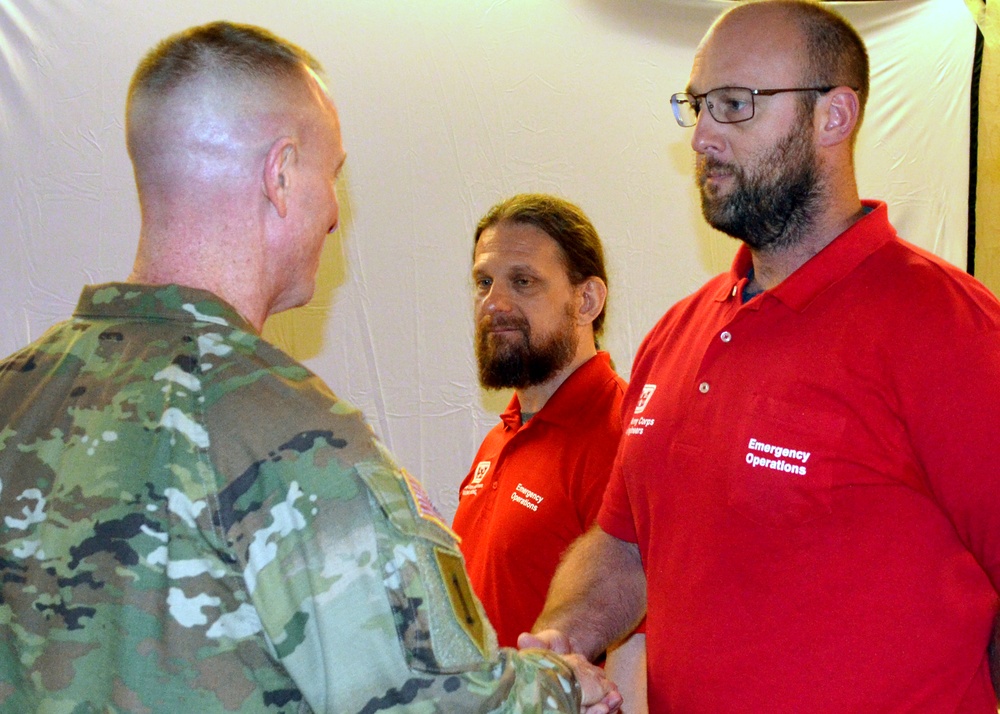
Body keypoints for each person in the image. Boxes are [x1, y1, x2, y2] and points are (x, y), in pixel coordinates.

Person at [0, 21, 622, 714]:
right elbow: (428, 700)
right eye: (333, 176)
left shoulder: (16, 396)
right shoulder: (293, 442)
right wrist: (564, 688)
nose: (334, 213)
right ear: (282, 174)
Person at [521, 1, 1000, 711]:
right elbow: (625, 547)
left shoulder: (949, 328)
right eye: (697, 105)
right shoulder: (677, 333)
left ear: (833, 117)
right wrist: (556, 647)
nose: (704, 136)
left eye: (735, 105)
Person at [451, 194, 645, 709]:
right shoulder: (502, 438)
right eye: (484, 282)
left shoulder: (620, 436)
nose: (494, 302)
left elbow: (640, 643)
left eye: (523, 281)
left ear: (586, 302)